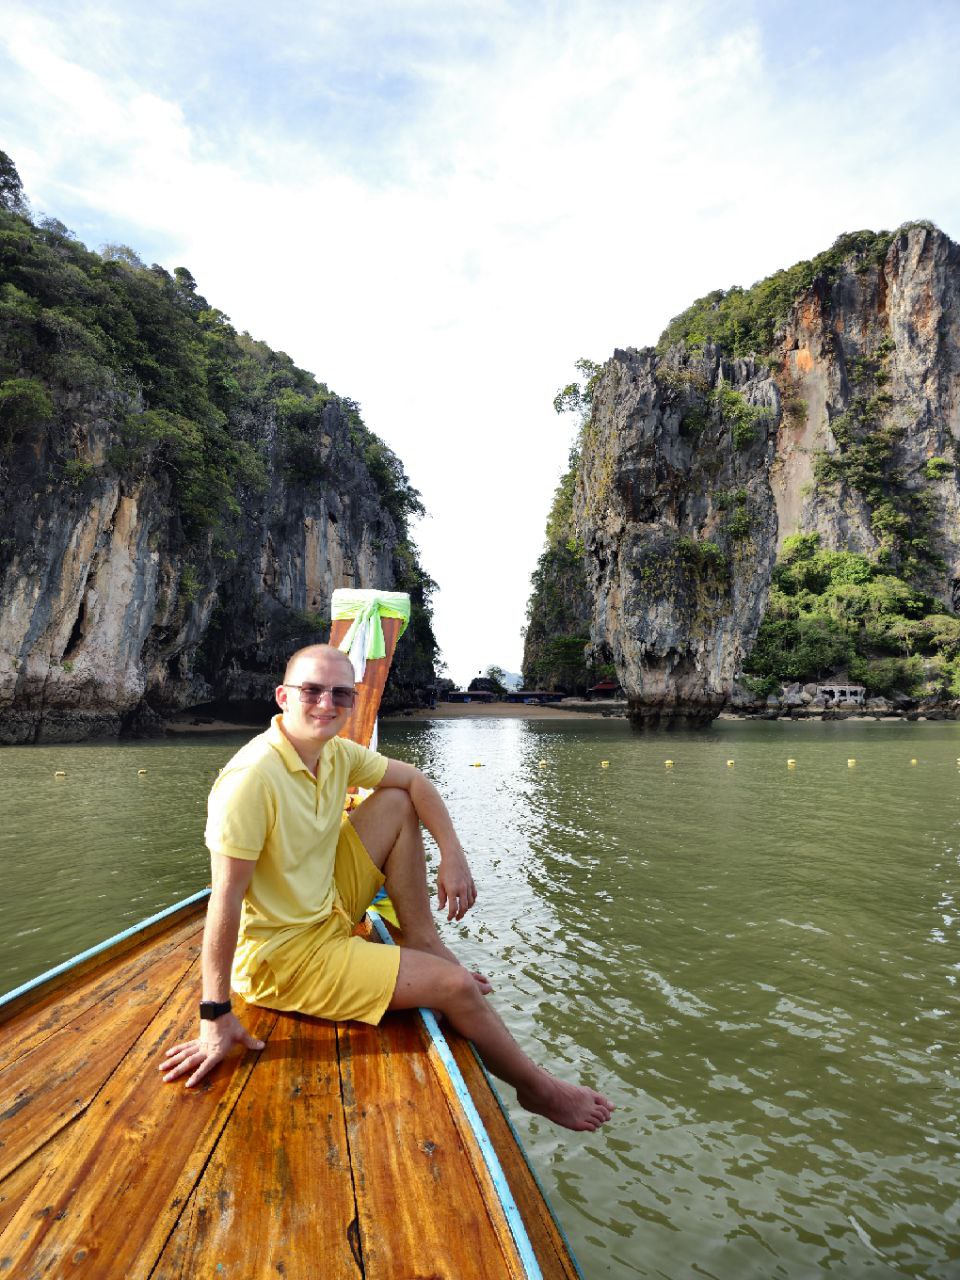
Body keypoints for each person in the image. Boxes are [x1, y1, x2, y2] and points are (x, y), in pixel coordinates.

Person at [160, 643, 613, 1132]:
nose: (326, 704)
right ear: (282, 697)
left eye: (340, 694)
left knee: (396, 800)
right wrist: (215, 1016)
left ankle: (421, 938)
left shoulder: (332, 753)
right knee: (456, 988)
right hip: (286, 958)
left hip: (328, 905)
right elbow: (224, 900)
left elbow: (416, 780)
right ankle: (538, 1089)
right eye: (311, 691)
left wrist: (452, 854)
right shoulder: (251, 780)